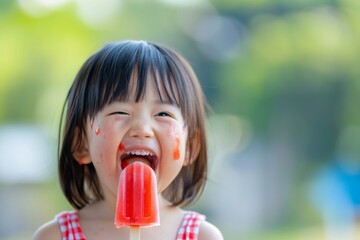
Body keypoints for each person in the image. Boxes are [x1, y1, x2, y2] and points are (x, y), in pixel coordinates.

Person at [33, 40, 223, 240]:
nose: (142, 129)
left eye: (163, 114)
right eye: (120, 111)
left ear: (190, 147)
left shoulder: (202, 236)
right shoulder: (54, 236)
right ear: (81, 144)